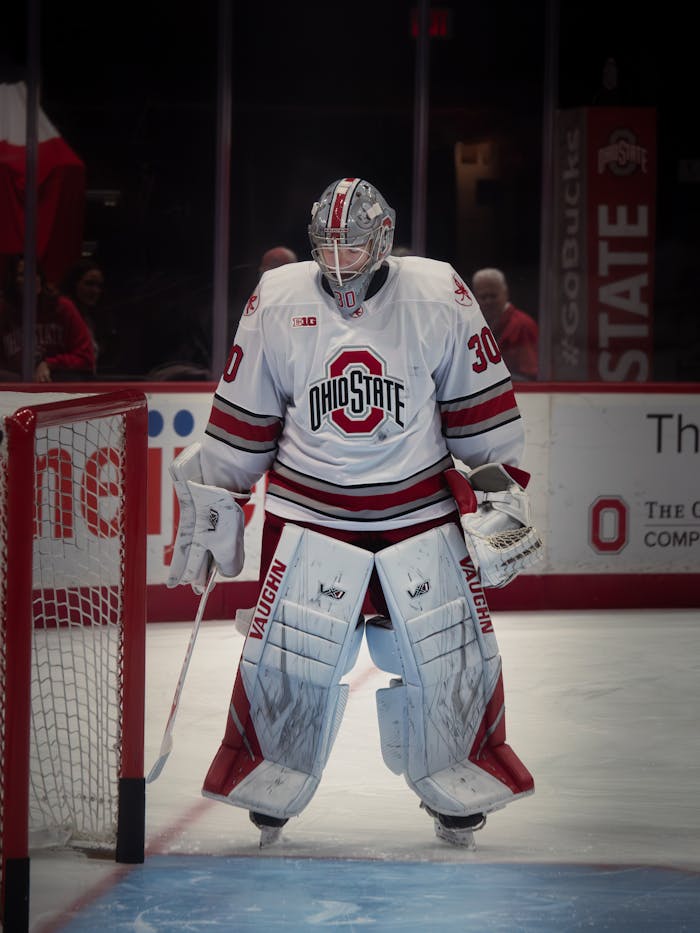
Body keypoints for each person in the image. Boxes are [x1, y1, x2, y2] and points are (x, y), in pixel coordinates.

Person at [166, 177, 542, 849]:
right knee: (287, 659)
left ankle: (458, 771)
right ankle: (268, 768)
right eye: (328, 247)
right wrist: (218, 494)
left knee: (447, 655)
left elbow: (478, 410)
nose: (340, 262)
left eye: (354, 246)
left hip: (417, 506)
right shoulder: (277, 299)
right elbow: (245, 414)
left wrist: (499, 490)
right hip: (310, 507)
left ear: (384, 238)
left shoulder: (438, 292)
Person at [0, 254, 96, 382]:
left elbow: (86, 358)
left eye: (36, 273)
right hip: (14, 385)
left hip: (57, 380)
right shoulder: (4, 311)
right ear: (12, 280)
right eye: (23, 274)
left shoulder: (61, 307)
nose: (32, 278)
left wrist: (48, 363)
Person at [471, 267, 539, 380]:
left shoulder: (523, 325)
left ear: (505, 294)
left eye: (493, 296)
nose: (488, 301)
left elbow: (530, 376)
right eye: (483, 297)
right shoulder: (473, 325)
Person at [60, 257, 120, 374]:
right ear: (74, 284)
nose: (95, 291)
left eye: (99, 286)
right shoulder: (62, 315)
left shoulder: (97, 318)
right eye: (89, 284)